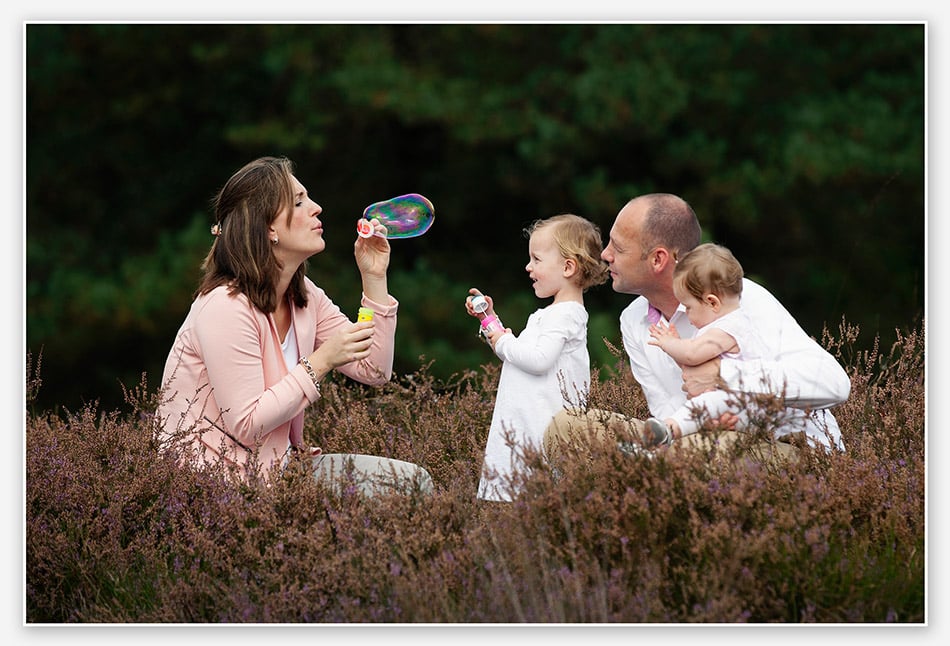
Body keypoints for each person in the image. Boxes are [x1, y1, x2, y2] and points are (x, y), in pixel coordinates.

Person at [156, 156, 432, 493]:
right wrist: (321, 360)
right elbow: (246, 424)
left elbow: (373, 369)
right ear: (269, 227)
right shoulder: (224, 306)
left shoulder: (304, 297)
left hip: (279, 473)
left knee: (412, 483)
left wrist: (374, 278)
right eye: (299, 202)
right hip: (213, 489)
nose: (316, 209)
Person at [544, 193, 851, 463]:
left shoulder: (739, 299)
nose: (605, 254)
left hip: (786, 450)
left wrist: (724, 375)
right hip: (697, 441)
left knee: (699, 451)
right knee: (567, 427)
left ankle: (644, 467)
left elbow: (835, 385)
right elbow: (666, 411)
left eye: (619, 248)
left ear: (658, 259)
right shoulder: (634, 320)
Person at [466, 214, 609, 501]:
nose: (528, 266)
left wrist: (503, 340)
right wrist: (489, 321)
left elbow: (538, 359)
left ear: (568, 267)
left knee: (533, 515)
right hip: (524, 429)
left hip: (538, 434)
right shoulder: (551, 315)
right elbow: (520, 355)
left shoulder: (565, 314)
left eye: (537, 259)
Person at [640, 242, 774, 446]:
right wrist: (678, 349)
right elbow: (692, 369)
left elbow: (692, 355)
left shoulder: (730, 327)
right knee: (704, 404)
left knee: (706, 402)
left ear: (712, 302)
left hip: (746, 406)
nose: (686, 313)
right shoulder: (719, 326)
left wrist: (669, 343)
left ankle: (669, 429)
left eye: (688, 306)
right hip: (734, 406)